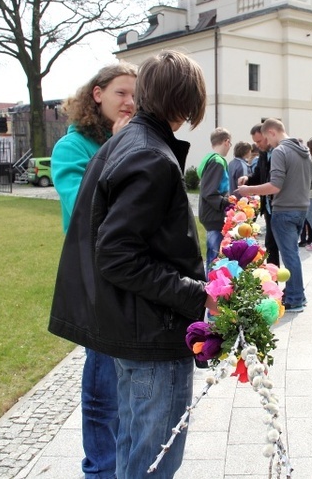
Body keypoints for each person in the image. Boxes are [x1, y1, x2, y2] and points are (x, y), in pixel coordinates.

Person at [49, 50, 214, 479]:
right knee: (152, 461)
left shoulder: (133, 141)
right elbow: (117, 254)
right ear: (187, 99)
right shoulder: (148, 153)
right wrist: (199, 294)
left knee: (133, 451)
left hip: (132, 325)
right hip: (149, 333)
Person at [50, 62, 137, 479]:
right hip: (95, 276)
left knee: (129, 382)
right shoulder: (72, 148)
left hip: (132, 274)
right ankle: (101, 471)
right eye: (121, 93)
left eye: (136, 95)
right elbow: (84, 207)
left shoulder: (131, 137)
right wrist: (116, 148)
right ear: (97, 94)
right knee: (103, 386)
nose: (130, 102)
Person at [237, 118, 312, 312]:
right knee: (293, 255)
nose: (267, 145)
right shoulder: (304, 150)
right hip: (301, 210)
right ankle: (298, 294)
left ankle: (295, 298)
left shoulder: (280, 151)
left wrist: (249, 190)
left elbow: (275, 185)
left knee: (290, 257)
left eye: (266, 139)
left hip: (284, 210)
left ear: (271, 132)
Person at [238, 123, 279, 266]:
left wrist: (249, 189)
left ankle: (293, 287)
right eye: (255, 142)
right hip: (268, 208)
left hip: (280, 207)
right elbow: (259, 175)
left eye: (259, 141)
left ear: (268, 135)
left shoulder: (279, 152)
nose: (257, 145)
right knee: (270, 245)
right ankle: (273, 284)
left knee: (286, 250)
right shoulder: (263, 154)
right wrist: (247, 179)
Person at [198, 127, 232, 272]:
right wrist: (227, 202)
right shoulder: (217, 161)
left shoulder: (210, 159)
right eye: (229, 144)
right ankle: (211, 291)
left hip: (211, 214)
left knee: (214, 255)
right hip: (214, 215)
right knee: (215, 257)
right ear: (226, 141)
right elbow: (209, 192)